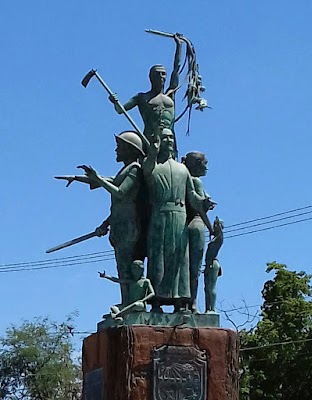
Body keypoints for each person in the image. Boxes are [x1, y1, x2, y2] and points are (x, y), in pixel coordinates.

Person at [54, 131, 146, 307]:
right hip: (118, 222)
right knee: (121, 265)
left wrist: (96, 178)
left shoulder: (135, 169)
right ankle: (125, 301)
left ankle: (130, 303)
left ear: (130, 149)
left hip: (128, 224)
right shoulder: (124, 170)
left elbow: (119, 193)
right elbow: (106, 181)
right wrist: (77, 178)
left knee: (127, 265)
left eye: (120, 147)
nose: (116, 150)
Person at [143, 127, 214, 312]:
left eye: (170, 138)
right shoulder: (153, 166)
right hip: (160, 215)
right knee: (158, 257)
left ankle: (179, 303)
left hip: (180, 216)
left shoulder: (182, 169)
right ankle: (155, 302)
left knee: (180, 258)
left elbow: (191, 195)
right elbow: (147, 170)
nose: (168, 141)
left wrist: (203, 202)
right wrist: (152, 151)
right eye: (164, 138)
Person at [109, 35, 183, 155]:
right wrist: (114, 101)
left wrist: (179, 47)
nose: (161, 77)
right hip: (150, 140)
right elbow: (121, 110)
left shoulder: (170, 95)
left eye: (163, 74)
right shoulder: (142, 97)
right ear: (151, 77)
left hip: (169, 140)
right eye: (157, 74)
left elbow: (176, 69)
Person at [182, 152, 214, 312]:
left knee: (184, 267)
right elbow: (200, 209)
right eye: (204, 163)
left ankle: (183, 302)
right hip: (196, 224)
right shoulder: (196, 181)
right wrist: (211, 228)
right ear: (196, 164)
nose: (206, 167)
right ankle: (192, 302)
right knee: (194, 268)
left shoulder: (184, 179)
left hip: (182, 224)